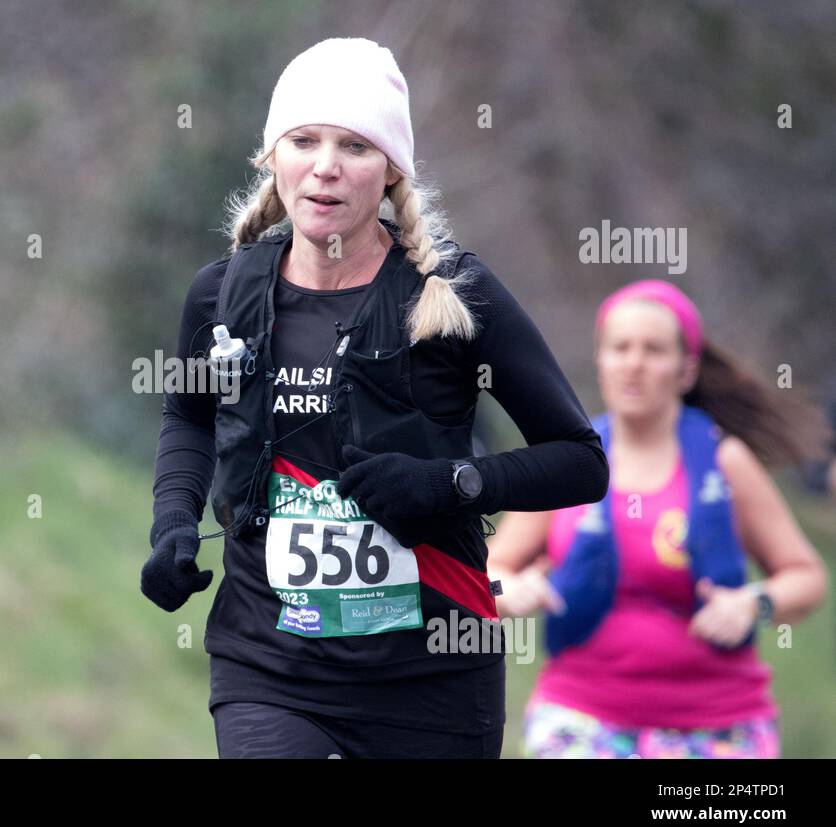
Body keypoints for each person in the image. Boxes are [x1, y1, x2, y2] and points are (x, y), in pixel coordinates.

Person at [141, 38, 608, 758]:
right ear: (274, 158)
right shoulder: (223, 292)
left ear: (390, 170)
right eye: (304, 140)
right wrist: (173, 520)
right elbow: (189, 417)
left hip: (432, 673)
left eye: (355, 146)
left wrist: (449, 482)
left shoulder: (453, 296)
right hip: (270, 665)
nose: (326, 165)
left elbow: (580, 461)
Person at [488, 279, 828, 758]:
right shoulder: (564, 467)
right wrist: (512, 590)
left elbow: (805, 577)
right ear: (600, 362)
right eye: (620, 348)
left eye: (654, 350)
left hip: (717, 725)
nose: (634, 363)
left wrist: (753, 604)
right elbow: (485, 576)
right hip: (581, 720)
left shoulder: (724, 463)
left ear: (686, 371)